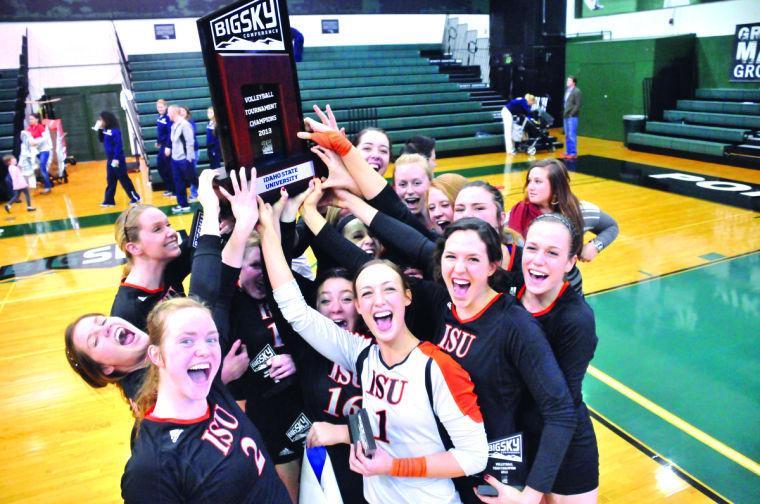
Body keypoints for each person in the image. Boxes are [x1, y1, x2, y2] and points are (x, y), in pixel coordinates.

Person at [260, 197, 489, 504]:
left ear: (408, 297)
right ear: (359, 306)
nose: (378, 300)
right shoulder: (363, 356)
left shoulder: (438, 368)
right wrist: (266, 227)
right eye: (367, 293)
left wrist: (394, 466)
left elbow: (474, 457)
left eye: (389, 289)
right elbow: (296, 310)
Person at [121, 297, 292, 503]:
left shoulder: (213, 392)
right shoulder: (151, 467)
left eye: (211, 339)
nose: (205, 350)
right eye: (186, 341)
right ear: (157, 355)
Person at [504, 213, 599, 503]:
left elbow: (561, 409)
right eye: (531, 248)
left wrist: (535, 490)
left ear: (570, 262)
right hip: (515, 438)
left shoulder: (576, 320)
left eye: (552, 253)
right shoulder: (509, 287)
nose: (537, 260)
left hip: (563, 442)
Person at [507, 158, 618, 292]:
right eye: (529, 181)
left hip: (567, 290)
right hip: (526, 289)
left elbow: (612, 226)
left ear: (556, 186)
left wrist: (596, 245)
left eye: (538, 182)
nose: (530, 186)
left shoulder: (580, 211)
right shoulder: (517, 212)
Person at [95, 110, 141, 207]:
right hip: (110, 160)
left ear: (107, 120)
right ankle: (109, 200)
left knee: (123, 179)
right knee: (110, 180)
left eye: (101, 119)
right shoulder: (105, 130)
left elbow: (118, 145)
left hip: (117, 160)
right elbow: (101, 140)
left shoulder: (115, 131)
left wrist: (116, 158)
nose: (100, 121)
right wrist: (99, 129)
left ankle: (135, 197)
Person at [166, 104, 196, 213]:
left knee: (194, 181)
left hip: (184, 159)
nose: (167, 114)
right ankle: (183, 204)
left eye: (169, 112)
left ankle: (211, 200)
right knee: (178, 182)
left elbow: (190, 142)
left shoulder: (185, 125)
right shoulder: (173, 125)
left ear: (173, 113)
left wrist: (189, 159)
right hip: (175, 159)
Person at [392, 153, 433, 229]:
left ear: (431, 184)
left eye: (417, 183)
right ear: (394, 188)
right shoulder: (391, 227)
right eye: (402, 184)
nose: (410, 191)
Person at [25, 113, 52, 194]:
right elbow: (27, 139)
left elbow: (45, 138)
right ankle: (44, 183)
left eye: (32, 119)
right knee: (38, 167)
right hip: (35, 151)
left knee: (42, 166)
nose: (30, 120)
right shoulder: (29, 128)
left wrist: (35, 141)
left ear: (37, 119)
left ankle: (48, 187)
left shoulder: (40, 127)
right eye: (29, 119)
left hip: (44, 150)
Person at [154, 99, 174, 197]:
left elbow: (170, 133)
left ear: (166, 107)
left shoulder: (168, 117)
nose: (160, 109)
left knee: (169, 168)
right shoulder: (159, 117)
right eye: (158, 107)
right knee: (160, 167)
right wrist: (158, 142)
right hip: (162, 146)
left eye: (161, 107)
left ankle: (174, 190)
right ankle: (169, 188)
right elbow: (160, 132)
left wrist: (168, 146)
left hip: (167, 147)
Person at [563, 77, 581, 160]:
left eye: (569, 80)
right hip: (565, 116)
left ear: (573, 82)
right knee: (567, 135)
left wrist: (571, 114)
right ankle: (568, 152)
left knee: (571, 134)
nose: (567, 81)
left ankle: (573, 153)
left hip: (572, 117)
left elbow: (578, 105)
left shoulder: (577, 91)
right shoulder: (567, 90)